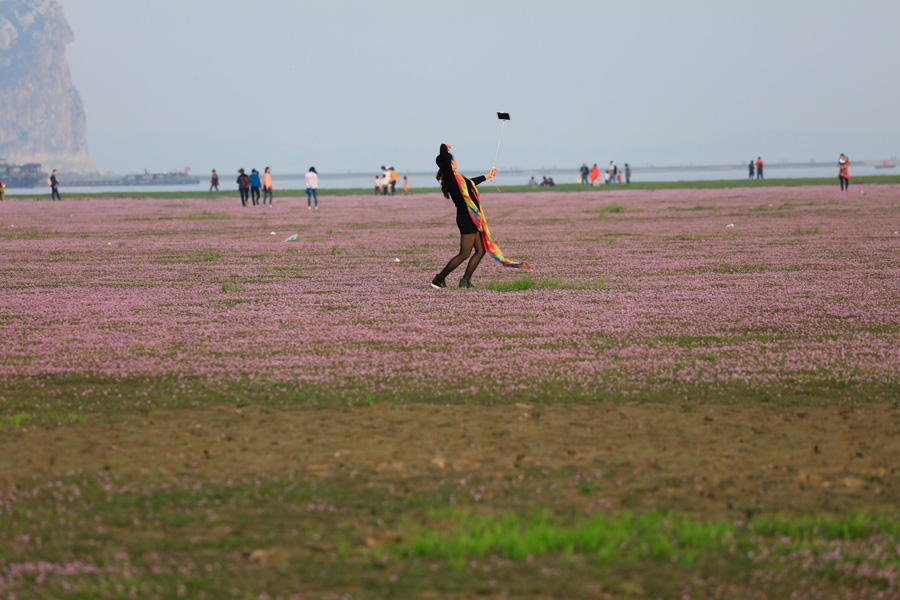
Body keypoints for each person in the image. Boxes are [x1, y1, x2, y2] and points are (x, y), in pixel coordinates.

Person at [430, 143, 494, 289]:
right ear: (450, 162)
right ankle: (439, 278)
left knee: (481, 250)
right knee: (464, 253)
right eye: (453, 160)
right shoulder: (451, 178)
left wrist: (487, 176)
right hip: (466, 219)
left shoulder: (459, 179)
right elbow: (444, 156)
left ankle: (465, 281)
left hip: (472, 218)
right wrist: (443, 146)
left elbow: (471, 183)